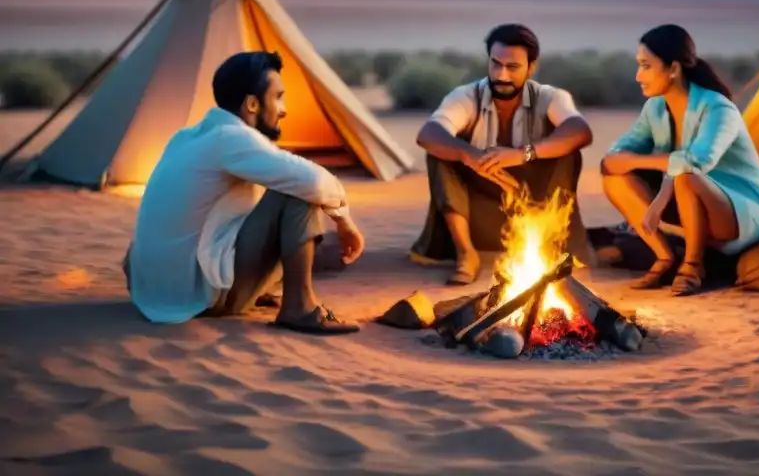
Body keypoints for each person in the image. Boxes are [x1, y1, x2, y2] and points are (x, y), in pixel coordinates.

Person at [123, 50, 366, 335]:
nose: (284, 109)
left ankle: (266, 288)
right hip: (197, 297)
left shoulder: (185, 137)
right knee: (298, 192)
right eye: (278, 97)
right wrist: (344, 220)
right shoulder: (232, 138)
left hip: (152, 290)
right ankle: (299, 307)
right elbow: (312, 180)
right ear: (252, 104)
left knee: (277, 187)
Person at [410, 23, 595, 285]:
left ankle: (549, 250)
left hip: (533, 203)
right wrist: (470, 156)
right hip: (481, 205)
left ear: (531, 67)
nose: (502, 75)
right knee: (440, 153)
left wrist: (523, 154)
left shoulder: (549, 96)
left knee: (568, 153)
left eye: (513, 67)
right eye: (496, 64)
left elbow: (580, 130)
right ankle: (466, 253)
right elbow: (429, 133)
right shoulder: (466, 96)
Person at [600, 24, 759, 295]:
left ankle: (693, 265)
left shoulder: (718, 108)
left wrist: (639, 164)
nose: (638, 76)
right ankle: (665, 257)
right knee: (615, 180)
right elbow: (614, 158)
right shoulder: (655, 108)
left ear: (673, 68)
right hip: (690, 203)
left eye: (646, 66)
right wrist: (622, 161)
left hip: (739, 212)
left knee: (686, 176)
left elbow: (696, 162)